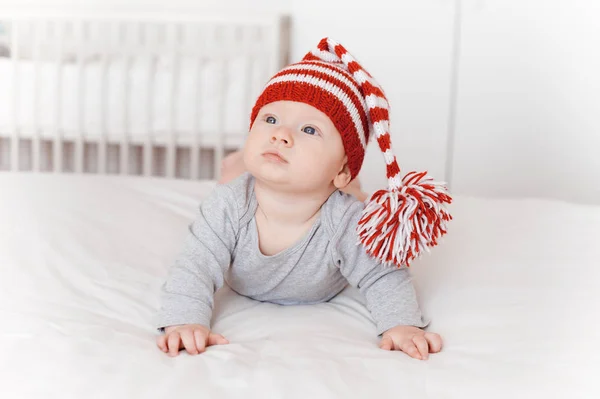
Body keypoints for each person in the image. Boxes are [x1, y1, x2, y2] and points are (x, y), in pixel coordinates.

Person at [155, 37, 452, 360]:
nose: (280, 134)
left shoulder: (346, 220)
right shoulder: (227, 204)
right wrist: (185, 319)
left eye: (309, 130)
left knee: (351, 199)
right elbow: (195, 265)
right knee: (232, 177)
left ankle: (351, 185)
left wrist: (402, 324)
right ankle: (238, 161)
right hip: (245, 190)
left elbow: (382, 274)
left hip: (337, 193)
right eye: (270, 120)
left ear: (341, 168)